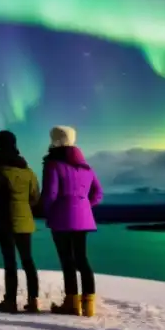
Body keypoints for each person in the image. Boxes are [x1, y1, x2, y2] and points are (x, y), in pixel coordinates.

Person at [40, 125, 103, 317]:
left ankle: (72, 304)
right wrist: (83, 207)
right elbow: (98, 194)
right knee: (82, 259)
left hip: (61, 218)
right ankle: (89, 305)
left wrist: (45, 210)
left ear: (55, 140)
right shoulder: (86, 167)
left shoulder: (53, 164)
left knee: (67, 261)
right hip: (83, 219)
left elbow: (50, 193)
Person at [0, 130, 40, 313]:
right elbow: (35, 197)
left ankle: (11, 301)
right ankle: (33, 300)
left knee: (10, 262)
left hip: (5, 222)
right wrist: (24, 209)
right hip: (25, 222)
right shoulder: (28, 171)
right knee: (28, 260)